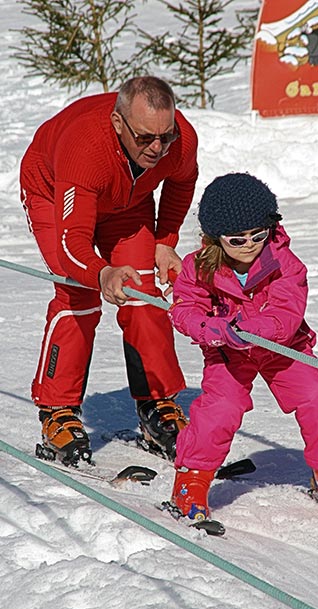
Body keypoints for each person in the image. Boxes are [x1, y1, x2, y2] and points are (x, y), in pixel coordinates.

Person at [167, 172, 318, 521]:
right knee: (221, 407)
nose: (249, 245)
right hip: (228, 352)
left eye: (257, 235)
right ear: (215, 239)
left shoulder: (284, 263)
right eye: (236, 239)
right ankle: (192, 478)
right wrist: (212, 329)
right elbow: (184, 309)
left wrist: (249, 328)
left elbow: (286, 314)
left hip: (283, 347)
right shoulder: (199, 267)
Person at [20, 76, 198, 466]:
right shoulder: (85, 148)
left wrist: (165, 240)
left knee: (143, 290)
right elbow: (73, 246)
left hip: (126, 202)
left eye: (164, 137)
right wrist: (102, 273)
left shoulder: (178, 138)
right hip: (54, 192)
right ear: (119, 124)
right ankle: (57, 410)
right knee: (77, 293)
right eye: (145, 138)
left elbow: (183, 181)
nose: (157, 148)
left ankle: (157, 405)